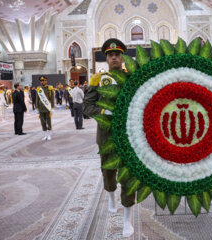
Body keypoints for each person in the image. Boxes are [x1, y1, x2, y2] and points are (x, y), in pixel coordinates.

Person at [83, 38, 135, 237]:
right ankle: (112, 198)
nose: (114, 57)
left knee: (129, 176)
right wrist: (104, 113)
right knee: (108, 171)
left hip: (129, 136)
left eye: (118, 54)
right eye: (110, 55)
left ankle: (127, 219)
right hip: (106, 136)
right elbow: (87, 107)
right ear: (106, 58)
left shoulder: (131, 77)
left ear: (122, 57)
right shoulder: (98, 79)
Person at [36, 76, 55, 140]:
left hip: (48, 107)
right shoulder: (38, 89)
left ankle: (49, 135)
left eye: (44, 80)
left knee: (48, 121)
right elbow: (37, 99)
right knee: (43, 122)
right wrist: (36, 108)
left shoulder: (49, 88)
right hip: (41, 108)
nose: (42, 82)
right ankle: (45, 135)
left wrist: (52, 108)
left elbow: (52, 99)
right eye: (41, 81)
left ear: (46, 81)